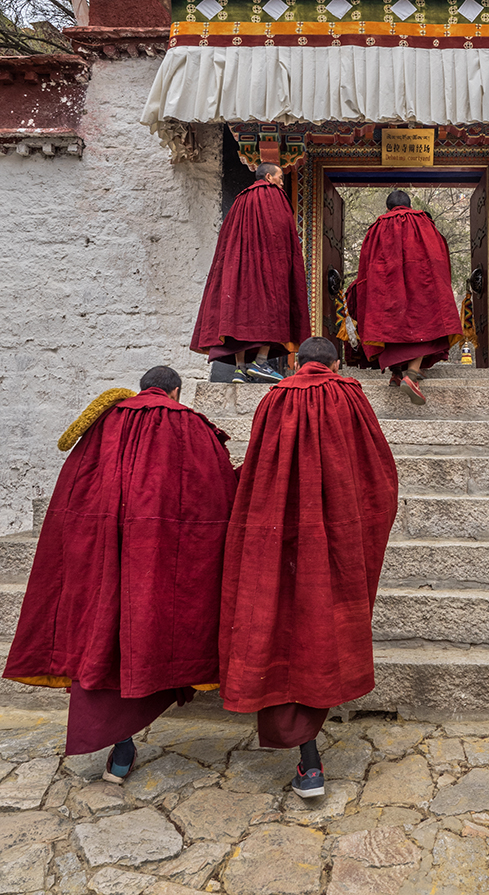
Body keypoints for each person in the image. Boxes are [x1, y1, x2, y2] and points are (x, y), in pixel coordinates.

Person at [3, 366, 237, 782]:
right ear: (176, 391)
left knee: (103, 633)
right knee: (149, 630)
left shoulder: (104, 423)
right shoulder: (192, 426)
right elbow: (214, 493)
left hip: (102, 549)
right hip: (159, 554)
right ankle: (126, 731)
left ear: (144, 387)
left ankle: (120, 744)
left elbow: (75, 486)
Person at [219, 336, 398, 798]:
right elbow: (377, 472)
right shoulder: (349, 396)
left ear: (296, 364)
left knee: (282, 622)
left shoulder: (273, 399)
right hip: (333, 534)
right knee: (317, 624)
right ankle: (309, 758)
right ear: (336, 364)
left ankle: (307, 756)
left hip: (277, 531)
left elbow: (256, 466)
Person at [191, 161, 311, 384]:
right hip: (268, 267)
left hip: (238, 270)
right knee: (269, 308)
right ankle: (261, 362)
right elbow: (281, 237)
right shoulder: (273, 196)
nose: (281, 184)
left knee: (239, 315)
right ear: (268, 178)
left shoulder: (240, 200)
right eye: (280, 178)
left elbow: (227, 240)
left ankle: (240, 369)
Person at [354, 189, 463, 404]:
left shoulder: (376, 227)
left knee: (390, 326)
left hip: (385, 289)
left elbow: (366, 267)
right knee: (424, 323)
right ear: (410, 206)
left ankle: (397, 374)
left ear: (387, 208)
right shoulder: (423, 223)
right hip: (421, 285)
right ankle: (411, 376)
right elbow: (439, 257)